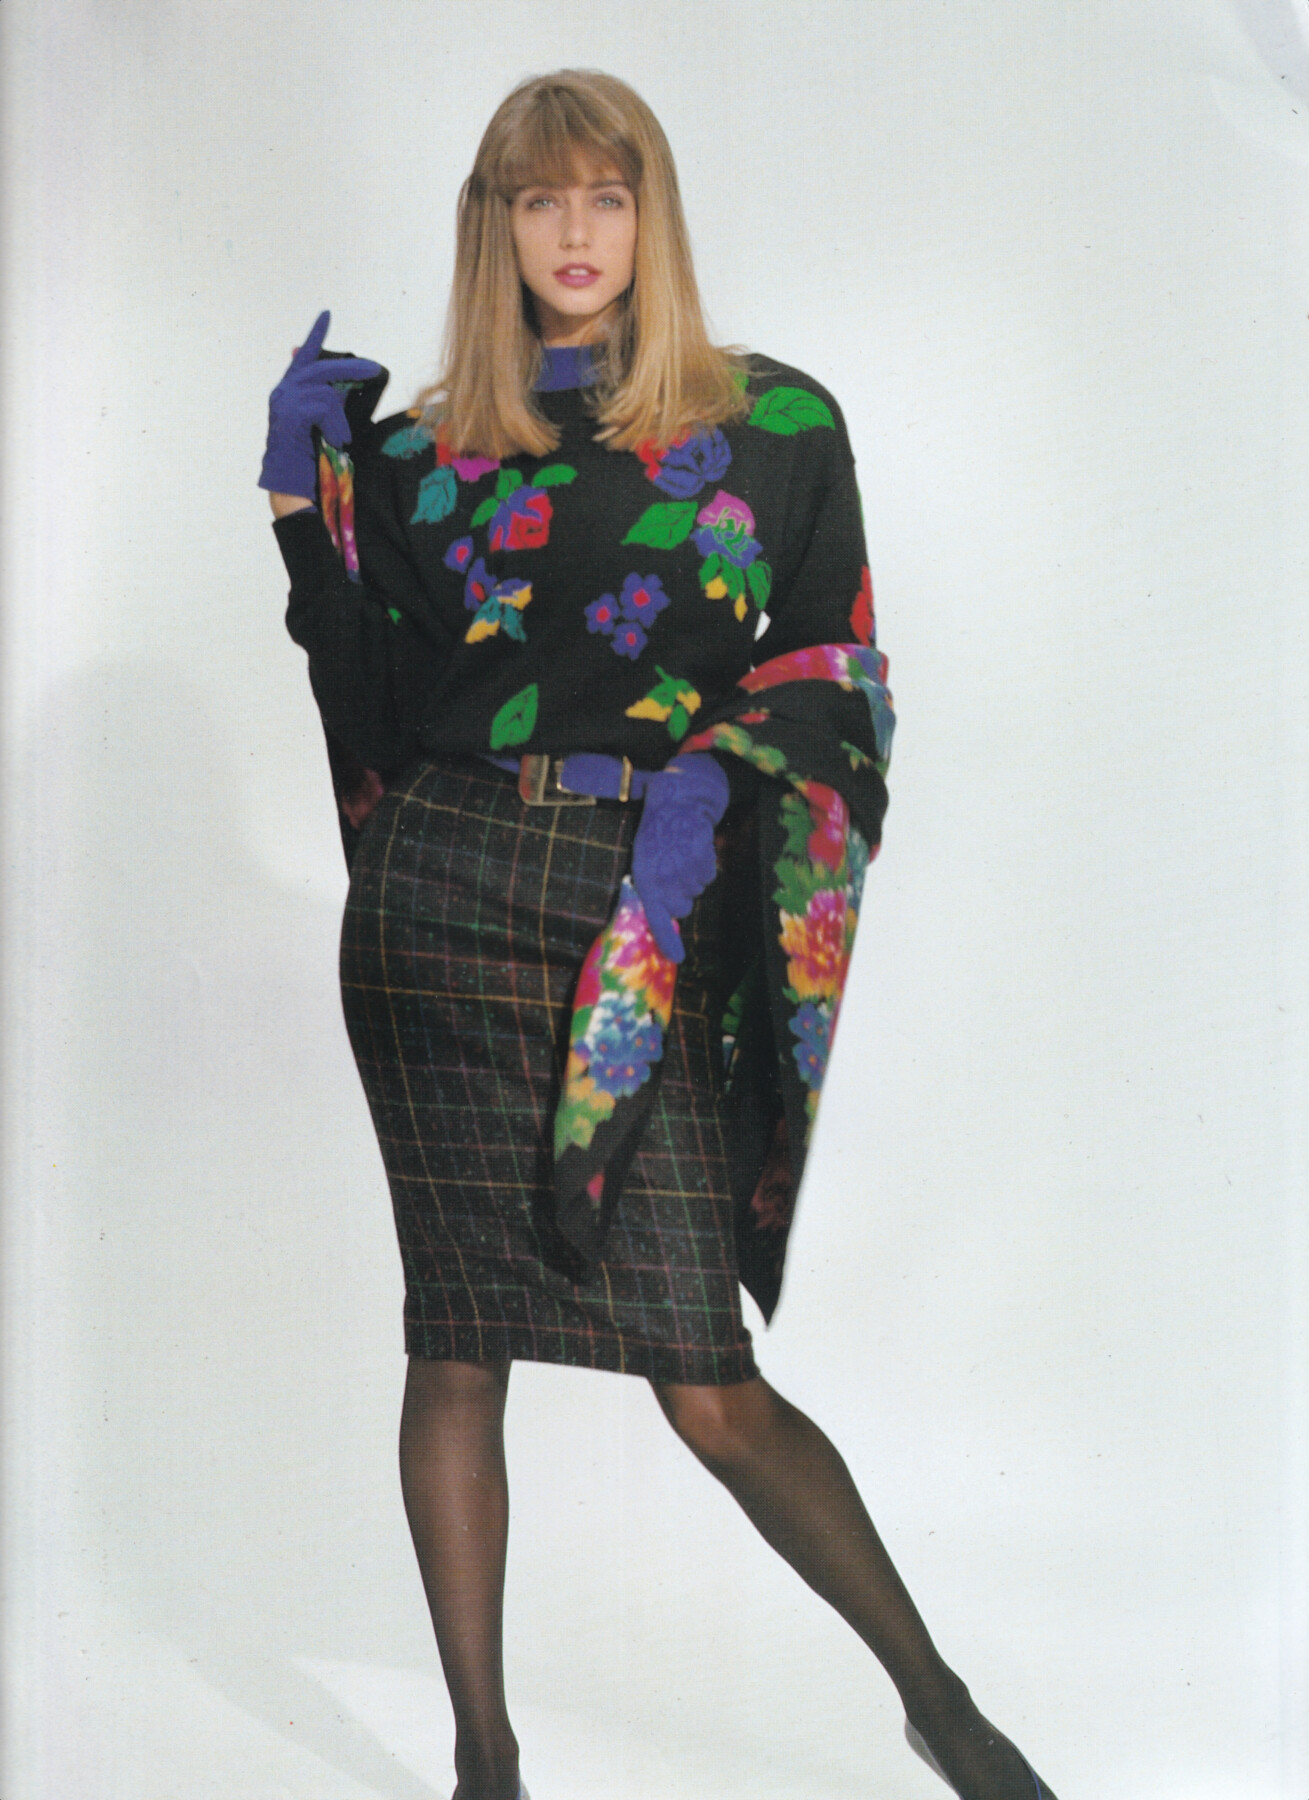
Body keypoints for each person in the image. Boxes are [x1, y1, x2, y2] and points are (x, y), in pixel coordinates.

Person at [259, 68, 1059, 1800]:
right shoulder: (421, 453)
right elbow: (377, 711)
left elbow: (834, 668)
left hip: (646, 907)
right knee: (454, 1336)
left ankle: (940, 1709)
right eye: (537, 199)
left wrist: (707, 787)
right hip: (441, 899)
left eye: (605, 197)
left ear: (651, 215)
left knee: (705, 1379)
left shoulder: (771, 423)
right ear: (492, 224)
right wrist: (308, 523)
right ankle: (484, 1762)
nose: (573, 232)